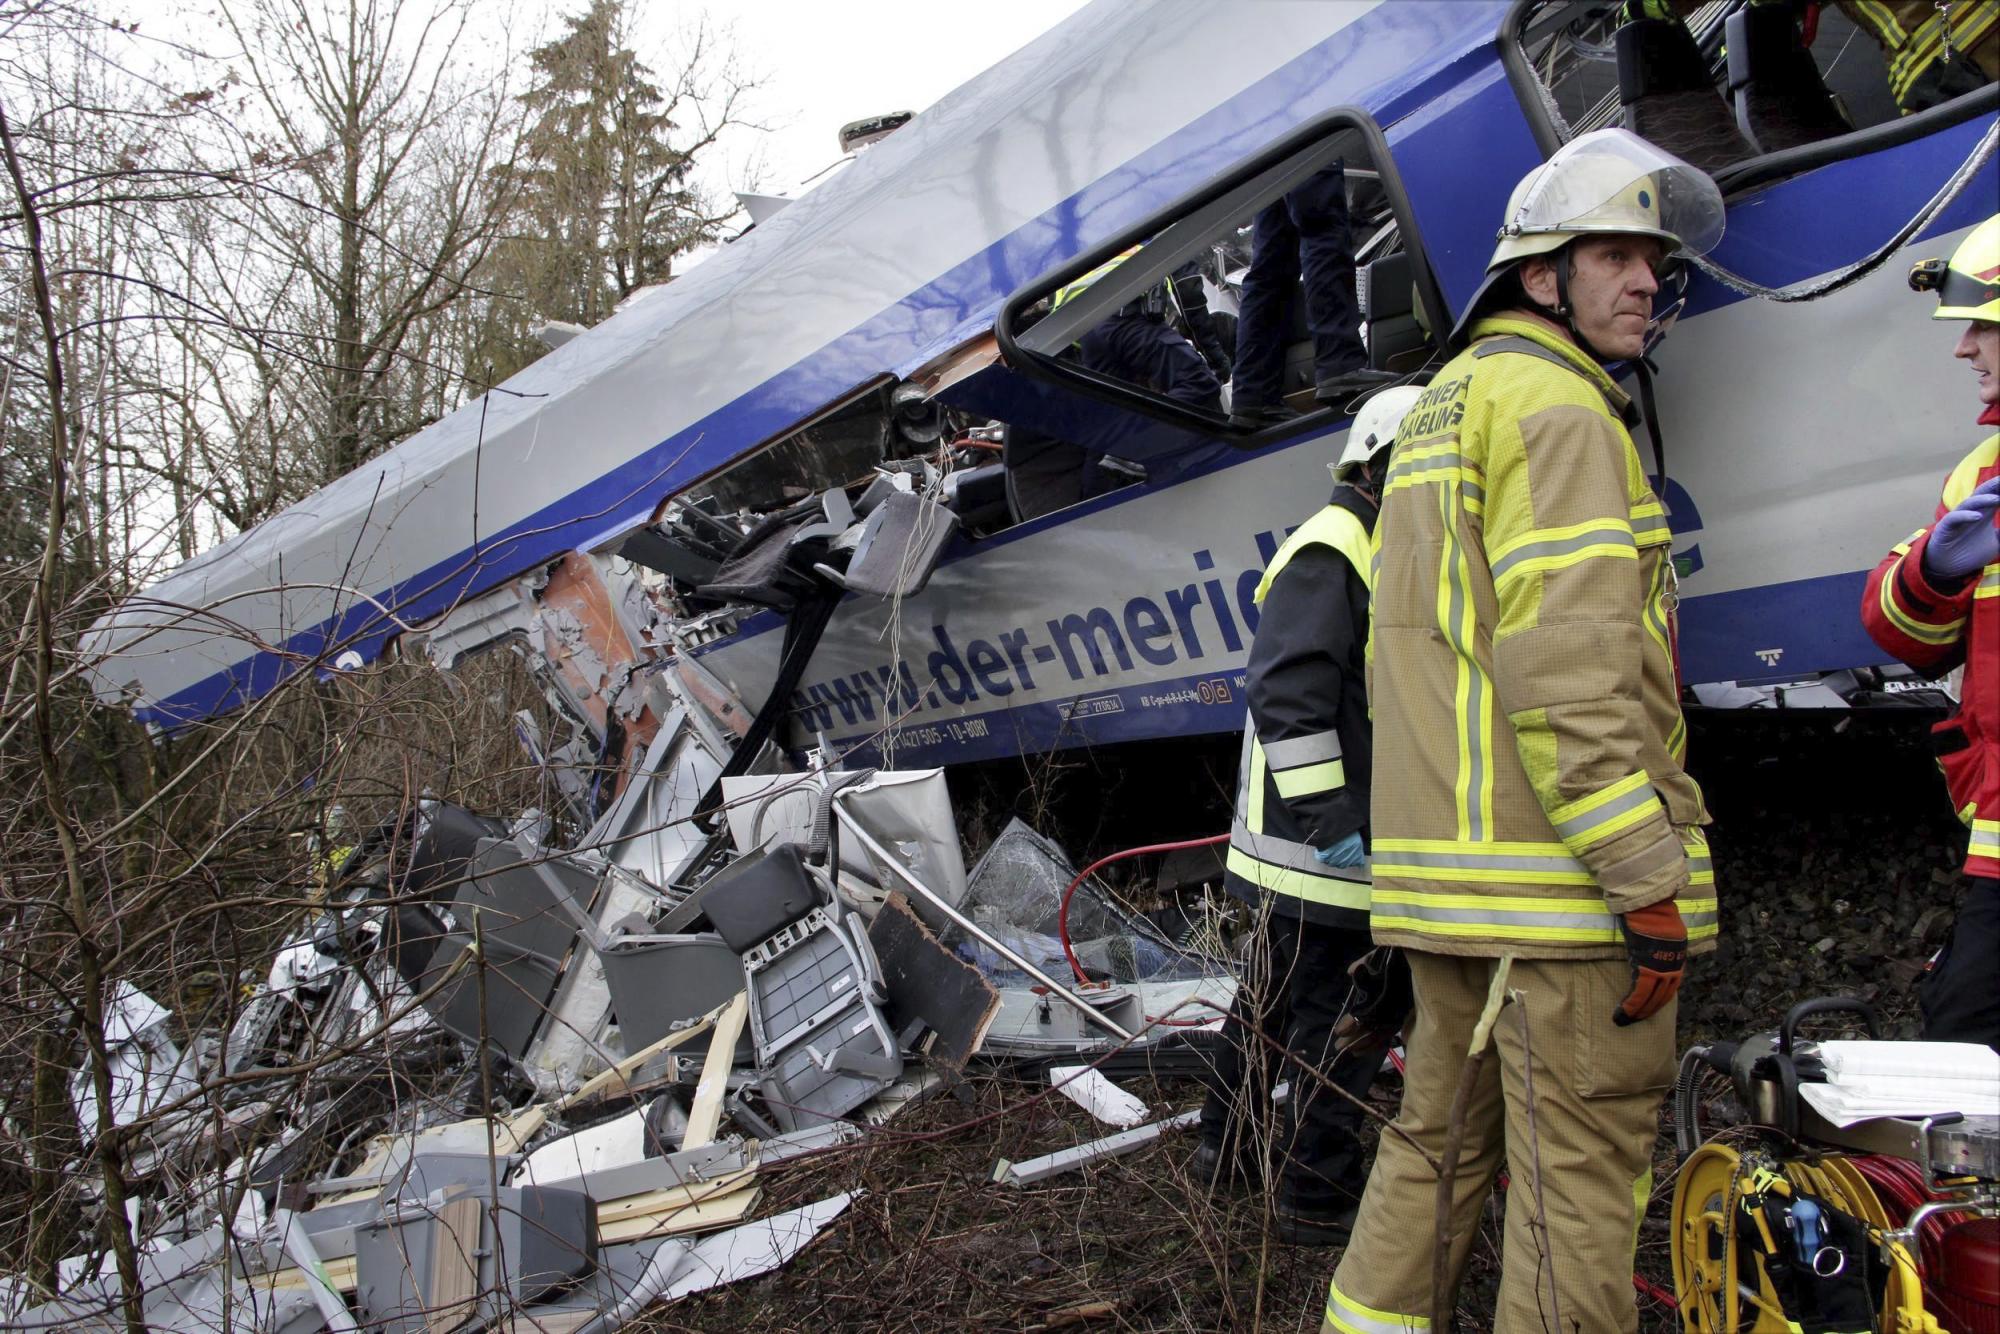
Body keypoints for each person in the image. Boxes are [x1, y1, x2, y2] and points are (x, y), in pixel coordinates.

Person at [1323, 128, 1725, 1334]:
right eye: (1611, 254)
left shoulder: (1445, 406)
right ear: (1536, 277)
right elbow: (1569, 677)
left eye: (1651, 259)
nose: (1645, 281)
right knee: (1578, 1193)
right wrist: (1647, 876)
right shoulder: (1560, 413)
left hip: (1454, 893)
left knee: (1429, 1154)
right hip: (1558, 904)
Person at [1194, 385, 1424, 1245]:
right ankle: (1315, 1194)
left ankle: (1227, 1157)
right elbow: (1290, 698)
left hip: (1304, 852)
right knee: (1348, 1022)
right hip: (1322, 853)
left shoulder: (1357, 543)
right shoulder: (1337, 547)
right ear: (1381, 464)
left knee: (1269, 1012)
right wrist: (1334, 824)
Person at [1859, 213, 2000, 1053]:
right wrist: (1935, 573)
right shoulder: (1981, 475)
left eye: (1983, 326)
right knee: (1966, 1040)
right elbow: (1902, 629)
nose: (1964, 351)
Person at [1229, 163, 1393, 429]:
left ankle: (1253, 395)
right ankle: (1340, 365)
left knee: (1272, 264)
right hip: (1296, 133)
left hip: (1268, 144)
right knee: (1323, 230)